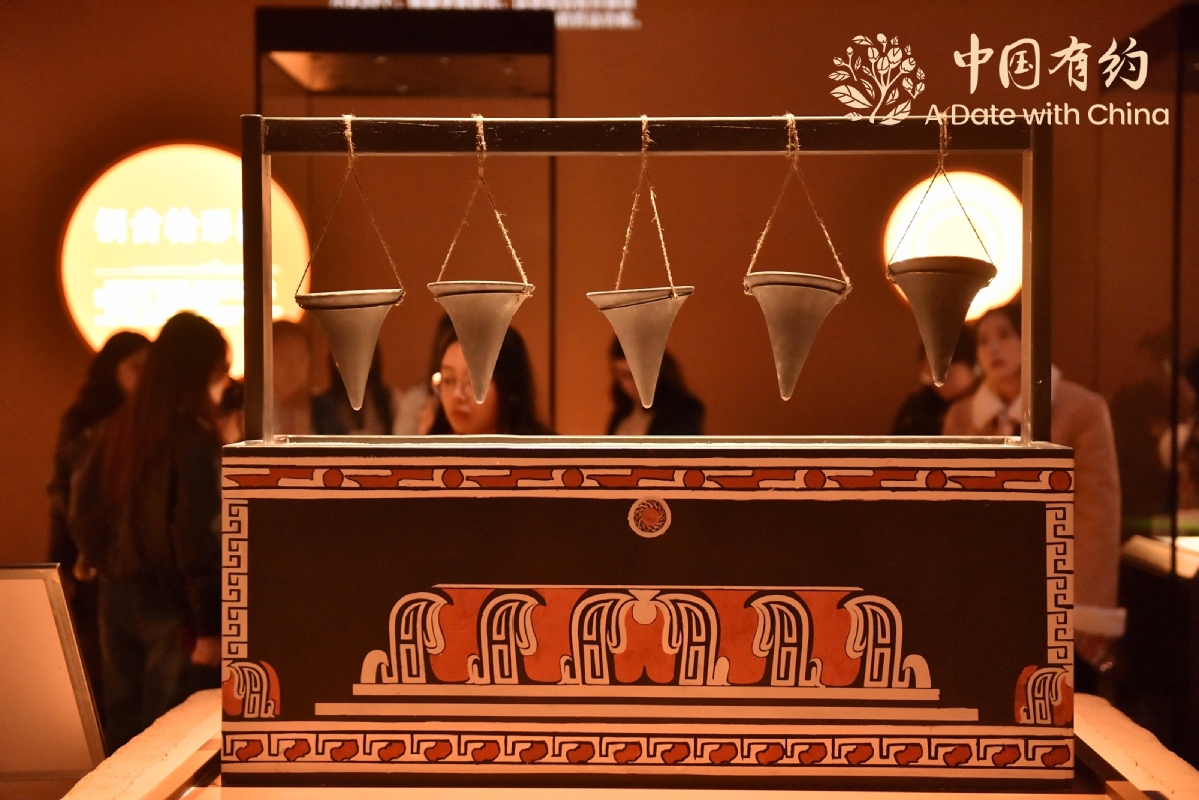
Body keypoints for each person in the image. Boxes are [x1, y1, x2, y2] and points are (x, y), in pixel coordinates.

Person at [942, 300, 1123, 692]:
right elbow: (951, 514)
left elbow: (1097, 515)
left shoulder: (1081, 410)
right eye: (983, 340)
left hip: (1055, 589)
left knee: (1062, 703)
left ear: (1029, 339)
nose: (993, 348)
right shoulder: (962, 417)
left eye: (1004, 335)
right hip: (986, 592)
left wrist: (1086, 609)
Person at [69, 312, 229, 751]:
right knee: (170, 741)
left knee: (125, 737)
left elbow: (80, 507)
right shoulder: (192, 438)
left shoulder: (118, 427)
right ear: (201, 372)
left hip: (116, 598)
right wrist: (210, 626)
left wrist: (103, 561)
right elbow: (198, 536)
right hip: (175, 605)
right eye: (220, 370)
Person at [48, 330, 151, 713]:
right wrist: (63, 561)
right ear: (113, 371)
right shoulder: (85, 421)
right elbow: (64, 494)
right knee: (101, 670)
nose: (144, 377)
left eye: (150, 369)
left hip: (135, 562)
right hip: (91, 560)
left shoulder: (150, 420)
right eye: (135, 367)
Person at [428, 325, 551, 435]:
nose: (457, 395)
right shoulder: (427, 450)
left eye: (474, 382)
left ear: (509, 385)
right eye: (448, 380)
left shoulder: (545, 451)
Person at [606, 339, 704, 436]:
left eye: (639, 372)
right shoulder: (621, 414)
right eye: (625, 375)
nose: (635, 382)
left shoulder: (683, 413)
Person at [891, 328, 978, 436]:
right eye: (929, 375)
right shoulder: (917, 409)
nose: (937, 383)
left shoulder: (989, 405)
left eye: (948, 374)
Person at [272, 320, 344, 436]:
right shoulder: (249, 409)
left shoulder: (324, 409)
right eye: (282, 356)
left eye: (299, 357)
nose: (292, 367)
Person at [315, 346, 395, 436]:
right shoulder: (320, 405)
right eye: (346, 354)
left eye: (361, 353)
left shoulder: (389, 399)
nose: (354, 361)